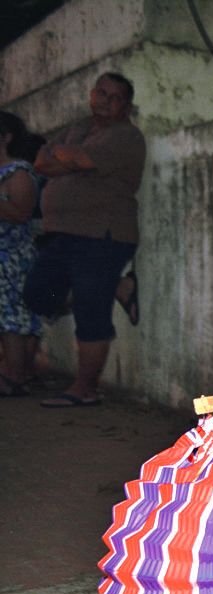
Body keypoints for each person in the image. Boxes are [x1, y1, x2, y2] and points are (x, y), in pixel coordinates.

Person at [23, 72, 145, 408]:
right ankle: (117, 286)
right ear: (91, 94)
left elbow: (80, 159)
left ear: (126, 107)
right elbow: (41, 161)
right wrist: (70, 159)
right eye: (101, 93)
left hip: (102, 235)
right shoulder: (78, 128)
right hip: (62, 233)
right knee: (37, 294)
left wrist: (67, 157)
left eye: (115, 98)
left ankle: (85, 390)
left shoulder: (126, 136)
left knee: (91, 313)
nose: (106, 101)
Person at [0, 111, 41, 396]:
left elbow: (21, 213)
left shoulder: (19, 171)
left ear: (6, 137)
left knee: (12, 319)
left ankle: (15, 377)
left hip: (11, 257)